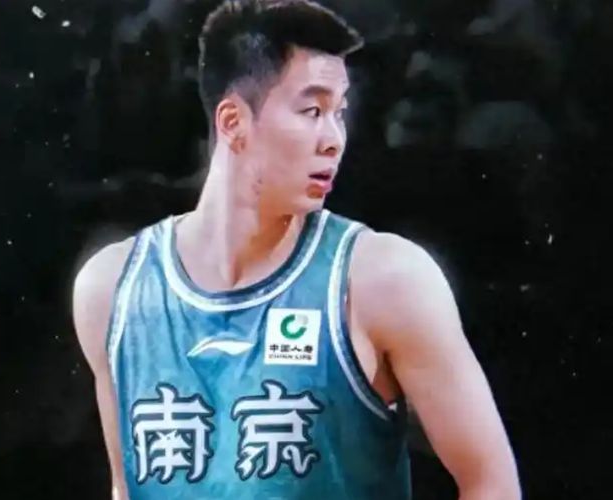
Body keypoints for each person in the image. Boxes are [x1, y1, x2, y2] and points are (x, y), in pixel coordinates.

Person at [72, 1, 520, 498]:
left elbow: (493, 484)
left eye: (339, 113)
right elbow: (126, 487)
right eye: (312, 111)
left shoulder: (383, 280)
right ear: (233, 122)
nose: (334, 140)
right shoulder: (110, 290)